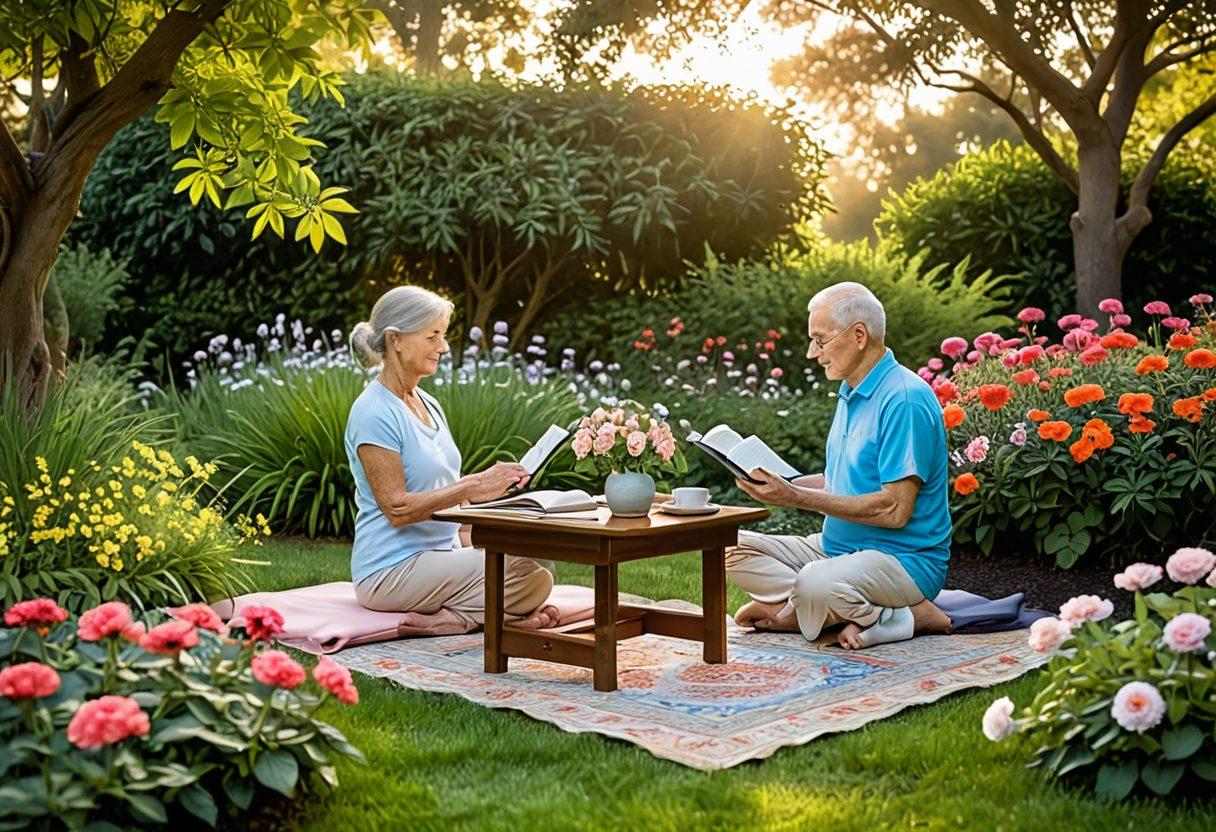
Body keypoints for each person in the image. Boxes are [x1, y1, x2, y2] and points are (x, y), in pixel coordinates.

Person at [727, 282, 954, 649]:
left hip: (903, 561)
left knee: (815, 583)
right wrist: (781, 483)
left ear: (859, 335)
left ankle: (906, 613)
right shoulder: (851, 391)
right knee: (725, 544)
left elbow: (895, 509)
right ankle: (822, 610)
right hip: (836, 549)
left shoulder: (904, 400)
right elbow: (839, 480)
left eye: (819, 340)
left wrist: (796, 497)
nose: (811, 353)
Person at [345, 285, 557, 635]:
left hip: (442, 554)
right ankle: (467, 619)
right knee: (525, 573)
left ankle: (475, 615)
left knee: (538, 558)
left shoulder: (429, 403)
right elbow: (397, 508)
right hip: (389, 570)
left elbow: (442, 486)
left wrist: (489, 489)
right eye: (432, 337)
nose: (443, 347)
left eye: (442, 336)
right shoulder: (373, 412)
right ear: (396, 340)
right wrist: (472, 484)